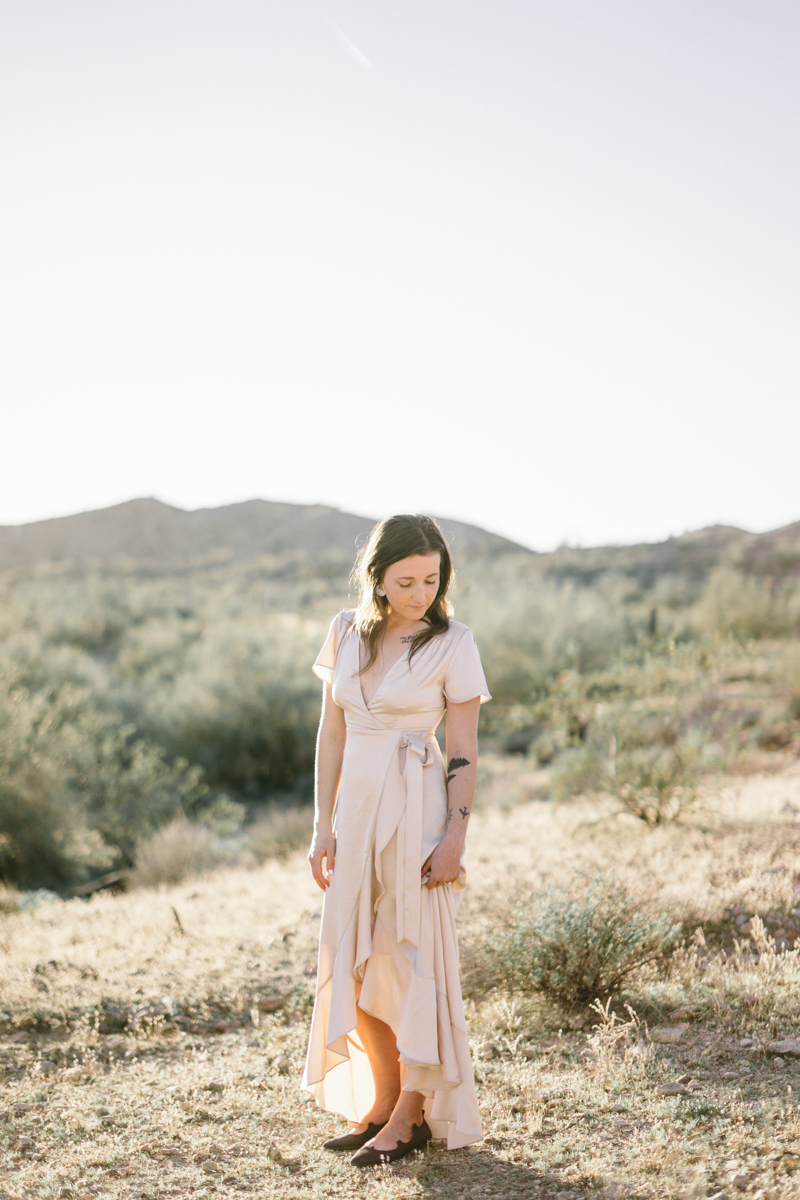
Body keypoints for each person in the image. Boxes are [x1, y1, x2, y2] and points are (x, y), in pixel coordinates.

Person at [301, 513, 491, 1166]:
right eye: (405, 581)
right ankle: (381, 1102)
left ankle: (409, 1117)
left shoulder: (454, 642)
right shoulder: (344, 632)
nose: (419, 595)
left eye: (431, 581)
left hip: (419, 814)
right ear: (377, 578)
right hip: (353, 816)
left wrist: (454, 841)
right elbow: (332, 734)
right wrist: (321, 825)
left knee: (411, 964)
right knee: (355, 960)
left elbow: (462, 748)